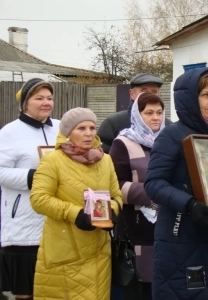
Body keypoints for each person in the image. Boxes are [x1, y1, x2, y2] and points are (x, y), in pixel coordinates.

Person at [144, 67, 208, 299]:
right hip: (180, 238)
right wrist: (189, 204)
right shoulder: (171, 136)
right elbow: (153, 183)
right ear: (190, 98)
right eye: (205, 95)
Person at [29, 107, 123, 300]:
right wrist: (76, 214)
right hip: (66, 250)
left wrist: (111, 212)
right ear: (67, 133)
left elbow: (117, 195)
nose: (88, 133)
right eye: (81, 128)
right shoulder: (52, 161)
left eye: (92, 127)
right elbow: (38, 199)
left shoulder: (105, 160)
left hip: (99, 250)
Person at [0, 78, 60, 300]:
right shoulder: (10, 132)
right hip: (24, 220)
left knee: (52, 287)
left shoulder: (62, 128)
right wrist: (35, 177)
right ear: (26, 103)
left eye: (49, 98)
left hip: (56, 217)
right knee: (26, 288)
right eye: (39, 98)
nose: (46, 103)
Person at [109, 92, 166, 300]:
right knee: (140, 287)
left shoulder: (169, 142)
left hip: (167, 225)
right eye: (149, 112)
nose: (155, 118)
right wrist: (153, 192)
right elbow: (115, 185)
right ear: (137, 114)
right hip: (136, 227)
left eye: (159, 112)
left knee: (162, 283)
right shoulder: (123, 143)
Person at [98, 73, 171, 153]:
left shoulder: (169, 127)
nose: (149, 96)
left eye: (154, 92)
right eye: (144, 92)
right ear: (132, 94)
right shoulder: (113, 124)